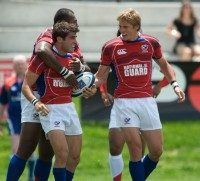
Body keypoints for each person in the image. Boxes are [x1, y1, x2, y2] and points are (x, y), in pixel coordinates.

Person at [83, 8, 185, 181]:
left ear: (137, 27)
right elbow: (100, 76)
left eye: (126, 27)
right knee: (135, 149)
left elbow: (166, 66)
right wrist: (91, 87)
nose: (122, 30)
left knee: (156, 151)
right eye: (120, 26)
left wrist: (174, 85)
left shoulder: (151, 43)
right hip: (124, 103)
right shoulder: (110, 47)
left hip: (147, 102)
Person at [6, 8, 90, 181]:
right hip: (36, 93)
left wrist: (81, 71)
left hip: (59, 99)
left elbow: (83, 66)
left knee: (47, 153)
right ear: (60, 24)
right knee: (27, 148)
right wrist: (66, 72)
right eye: (72, 21)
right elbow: (42, 50)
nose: (76, 24)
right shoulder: (49, 34)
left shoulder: (71, 39)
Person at [22, 21, 81, 181]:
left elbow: (80, 84)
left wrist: (86, 85)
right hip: (51, 110)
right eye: (72, 38)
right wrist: (36, 102)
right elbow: (26, 86)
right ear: (60, 39)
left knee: (75, 157)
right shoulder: (42, 59)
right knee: (62, 154)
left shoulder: (74, 59)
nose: (75, 42)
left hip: (69, 108)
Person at [100, 59, 172, 181]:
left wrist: (159, 86)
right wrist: (103, 91)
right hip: (122, 104)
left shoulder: (148, 50)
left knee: (144, 150)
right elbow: (102, 74)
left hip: (143, 105)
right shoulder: (114, 49)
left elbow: (169, 71)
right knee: (115, 146)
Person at [0, 55, 36, 181]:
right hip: (13, 120)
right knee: (15, 149)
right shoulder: (8, 83)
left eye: (22, 64)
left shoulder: (32, 81)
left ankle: (31, 175)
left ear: (26, 65)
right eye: (17, 64)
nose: (20, 66)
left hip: (29, 119)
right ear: (13, 66)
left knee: (30, 151)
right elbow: (2, 103)